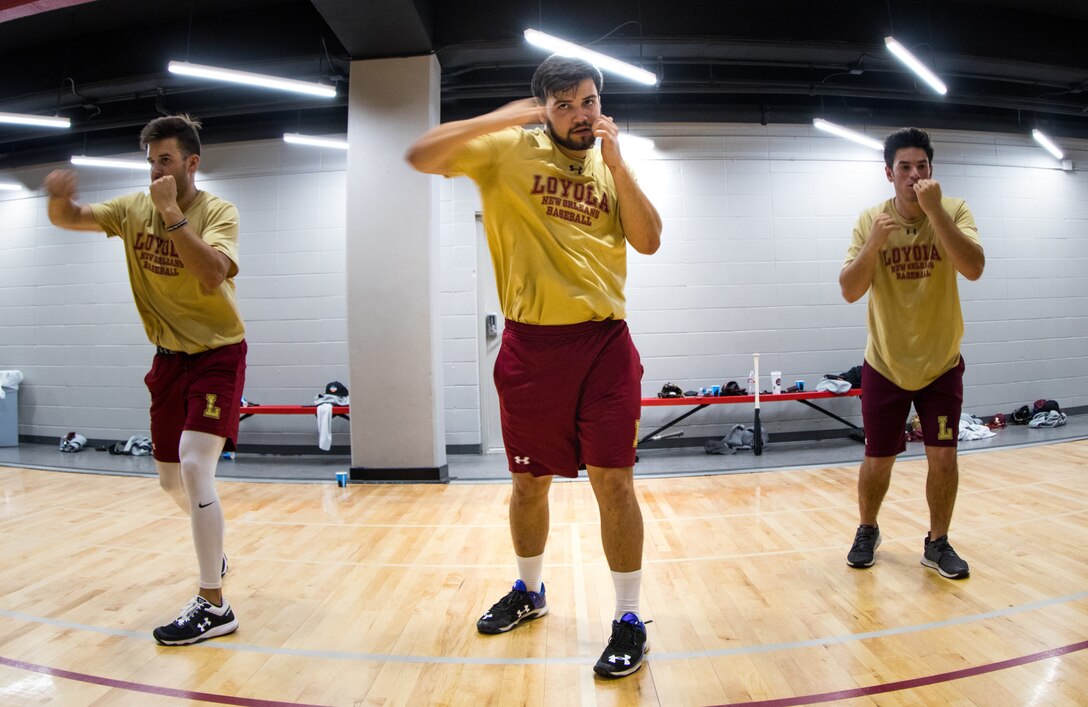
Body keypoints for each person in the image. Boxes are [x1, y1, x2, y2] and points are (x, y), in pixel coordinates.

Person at [406, 55, 662, 678]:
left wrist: (620, 164)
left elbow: (650, 239)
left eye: (590, 101)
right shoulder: (505, 151)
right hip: (531, 348)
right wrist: (502, 116)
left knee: (615, 482)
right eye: (566, 104)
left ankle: (629, 618)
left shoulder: (608, 163)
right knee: (528, 485)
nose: (581, 115)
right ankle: (531, 591)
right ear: (543, 106)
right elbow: (421, 155)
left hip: (603, 344)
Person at [44, 114, 246, 643]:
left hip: (217, 355)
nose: (155, 170)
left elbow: (211, 275)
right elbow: (72, 218)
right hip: (167, 359)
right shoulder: (133, 207)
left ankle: (214, 604)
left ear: (191, 163)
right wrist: (57, 199)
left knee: (195, 465)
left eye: (165, 160)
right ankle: (214, 549)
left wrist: (173, 215)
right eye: (150, 160)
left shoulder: (218, 211)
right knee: (169, 480)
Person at [839, 127, 984, 580]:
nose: (914, 174)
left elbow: (974, 267)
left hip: (941, 362)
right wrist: (873, 246)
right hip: (885, 362)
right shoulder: (870, 220)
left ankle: (937, 543)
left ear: (931, 171)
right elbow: (849, 290)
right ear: (889, 173)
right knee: (877, 460)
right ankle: (867, 529)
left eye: (922, 166)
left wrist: (934, 210)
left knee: (943, 457)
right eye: (905, 167)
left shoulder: (953, 209)